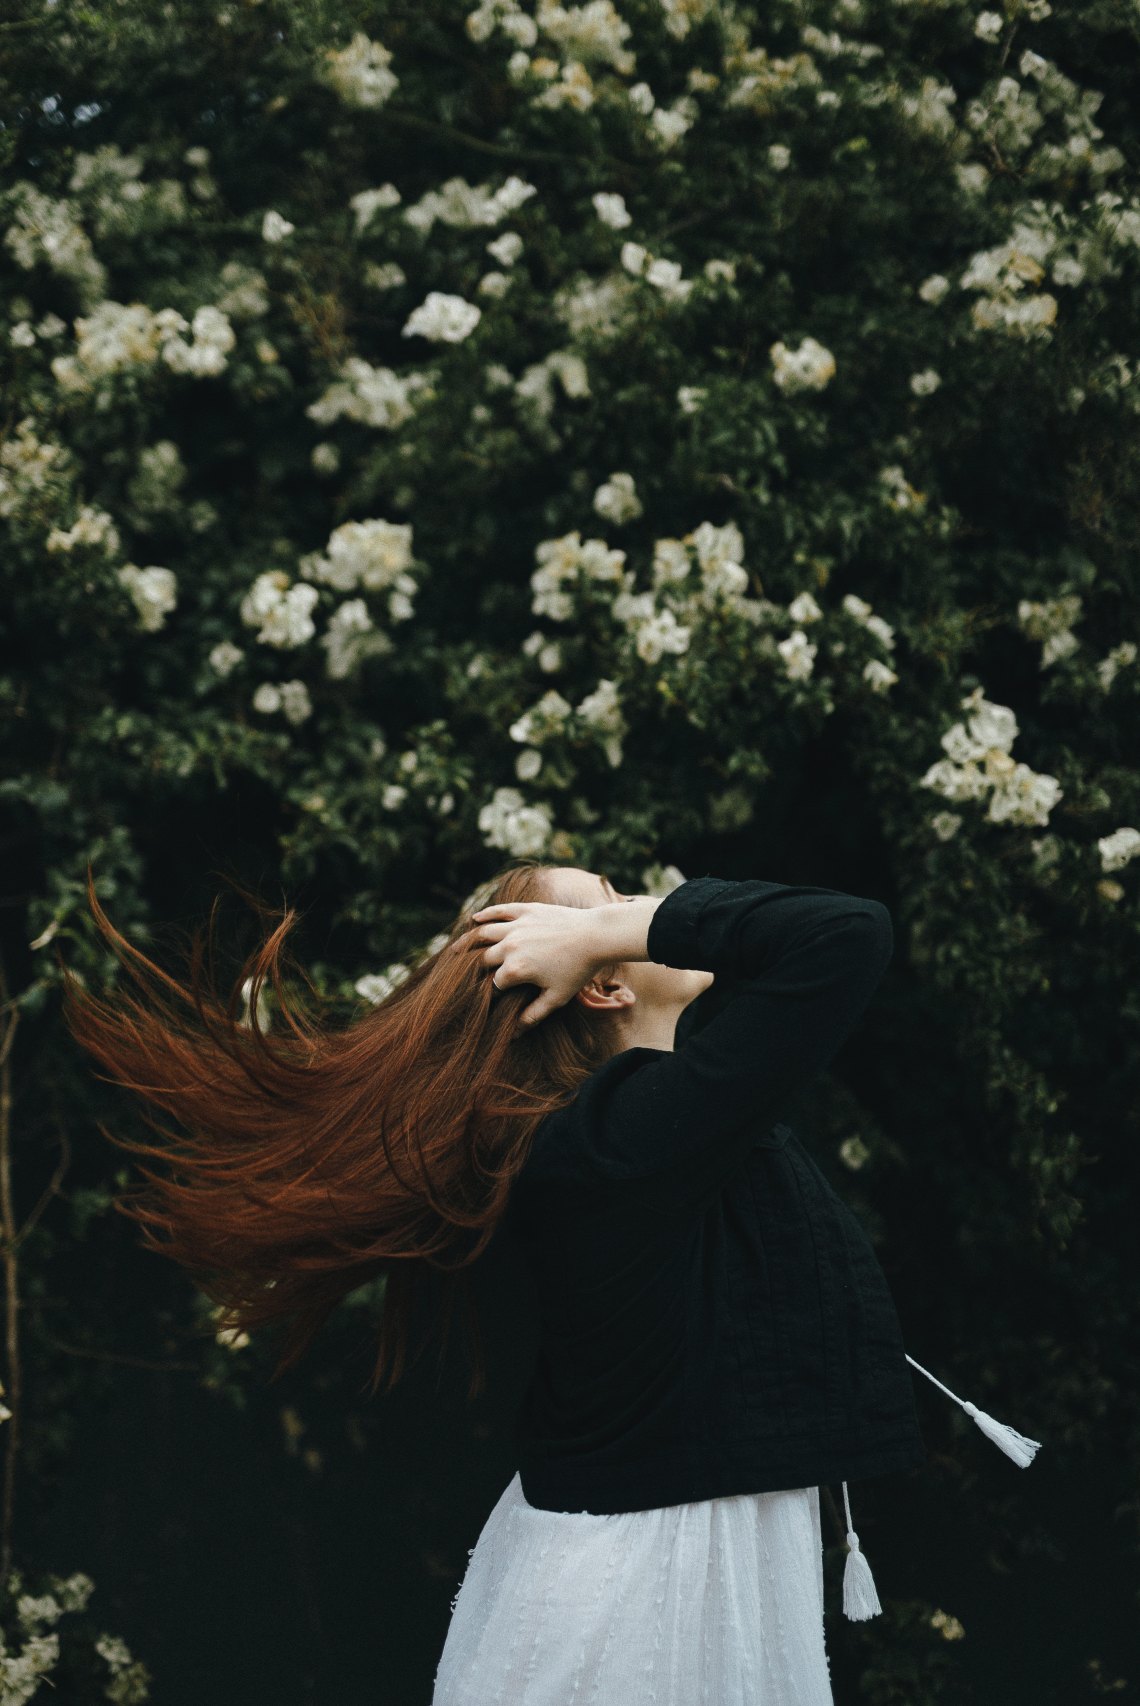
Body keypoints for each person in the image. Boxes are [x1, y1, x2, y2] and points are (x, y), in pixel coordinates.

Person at [61, 857, 1041, 1704]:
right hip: (648, 1591)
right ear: (601, 983)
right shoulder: (621, 1137)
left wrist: (602, 928)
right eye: (602, 901)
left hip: (633, 1571)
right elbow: (846, 932)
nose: (636, 900)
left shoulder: (625, 1133)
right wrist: (611, 930)